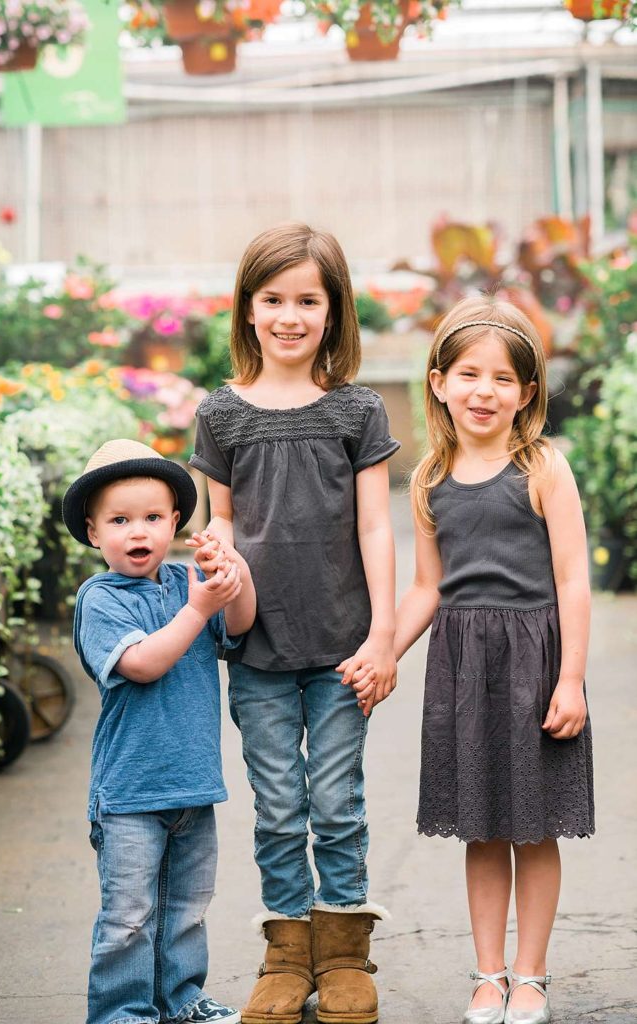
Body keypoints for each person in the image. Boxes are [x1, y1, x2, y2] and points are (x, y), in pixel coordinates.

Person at [188, 223, 400, 1024]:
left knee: (336, 801)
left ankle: (344, 953)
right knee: (278, 804)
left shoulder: (355, 409)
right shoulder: (223, 414)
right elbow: (224, 525)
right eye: (272, 299)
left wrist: (381, 637)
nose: (288, 315)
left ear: (332, 309)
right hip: (257, 650)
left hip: (345, 648)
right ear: (246, 310)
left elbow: (377, 529)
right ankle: (286, 955)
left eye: (306, 299)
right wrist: (213, 558)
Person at [393, 297, 594, 1024]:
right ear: (438, 382)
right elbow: (427, 587)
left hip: (535, 666)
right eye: (469, 374)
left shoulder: (540, 467)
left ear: (527, 393)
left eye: (503, 378)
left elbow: (573, 577)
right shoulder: (428, 479)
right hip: (461, 673)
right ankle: (486, 977)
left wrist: (570, 678)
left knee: (534, 829)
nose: (485, 391)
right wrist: (382, 652)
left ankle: (531, 977)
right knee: (480, 828)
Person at [62, 438, 257, 1024]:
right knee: (128, 915)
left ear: (175, 522)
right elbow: (143, 663)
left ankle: (181, 998)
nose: (138, 531)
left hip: (192, 784)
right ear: (94, 533)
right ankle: (122, 1010)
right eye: (120, 521)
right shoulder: (98, 599)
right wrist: (199, 609)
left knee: (187, 909)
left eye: (152, 518)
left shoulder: (183, 582)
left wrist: (234, 576)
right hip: (128, 791)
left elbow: (239, 629)